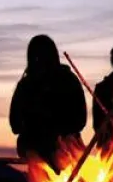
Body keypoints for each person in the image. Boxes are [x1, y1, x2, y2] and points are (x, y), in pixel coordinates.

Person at [9, 34, 87, 170]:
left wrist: (57, 129)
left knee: (68, 149)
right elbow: (15, 124)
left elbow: (80, 120)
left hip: (65, 145)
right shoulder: (26, 85)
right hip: (34, 146)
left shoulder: (67, 80)